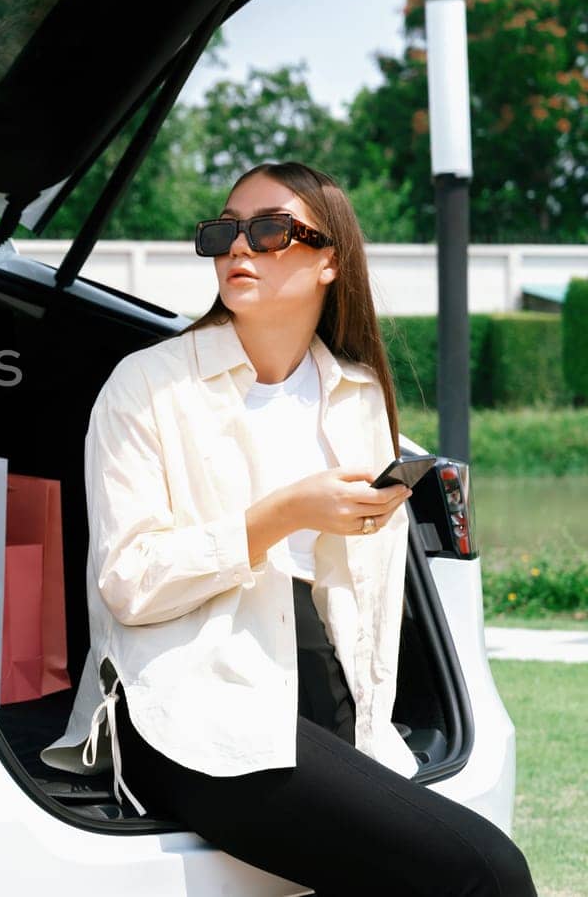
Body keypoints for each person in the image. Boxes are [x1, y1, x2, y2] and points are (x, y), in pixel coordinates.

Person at [40, 162, 535, 897]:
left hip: (322, 682)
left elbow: (365, 596)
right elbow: (127, 581)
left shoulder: (358, 392)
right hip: (187, 701)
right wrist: (284, 513)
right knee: (487, 869)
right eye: (223, 231)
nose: (239, 247)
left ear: (329, 258)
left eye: (269, 229)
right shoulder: (145, 386)